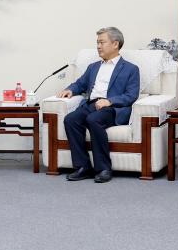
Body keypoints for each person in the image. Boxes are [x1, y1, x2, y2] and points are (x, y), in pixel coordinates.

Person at [59, 26, 142, 184]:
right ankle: (83, 167)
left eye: (102, 42)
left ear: (115, 44)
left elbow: (131, 95)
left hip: (113, 108)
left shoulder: (131, 69)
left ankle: (104, 168)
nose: (98, 46)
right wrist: (70, 90)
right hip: (91, 104)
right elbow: (80, 84)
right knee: (71, 119)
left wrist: (110, 101)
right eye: (97, 43)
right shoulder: (94, 67)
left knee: (93, 120)